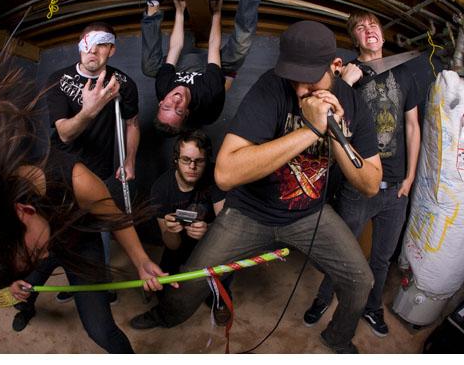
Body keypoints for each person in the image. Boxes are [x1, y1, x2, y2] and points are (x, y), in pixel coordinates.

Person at [129, 21, 383, 354]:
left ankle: (337, 338)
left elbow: (370, 184)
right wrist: (309, 130)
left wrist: (333, 131)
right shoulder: (272, 88)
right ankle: (165, 315)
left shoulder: (354, 106)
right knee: (194, 276)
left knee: (361, 280)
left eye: (310, 80)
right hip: (250, 212)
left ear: (335, 67)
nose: (300, 90)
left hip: (308, 215)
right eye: (294, 78)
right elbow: (225, 174)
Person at [0, 55, 171, 353]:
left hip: (79, 243)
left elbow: (115, 217)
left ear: (25, 212)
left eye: (35, 254)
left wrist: (141, 261)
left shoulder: (77, 181)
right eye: (31, 257)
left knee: (100, 330)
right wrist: (11, 277)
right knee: (24, 292)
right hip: (35, 240)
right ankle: (26, 306)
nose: (43, 256)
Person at [304, 11, 421, 338]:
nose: (369, 29)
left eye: (374, 24)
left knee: (382, 259)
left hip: (396, 189)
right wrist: (344, 83)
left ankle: (372, 307)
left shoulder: (404, 73)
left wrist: (410, 178)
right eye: (360, 26)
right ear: (355, 39)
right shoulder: (345, 74)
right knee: (340, 254)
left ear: (382, 33)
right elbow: (326, 119)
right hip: (357, 186)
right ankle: (323, 299)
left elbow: (412, 126)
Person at [45, 22, 139, 303]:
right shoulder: (58, 80)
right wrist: (90, 110)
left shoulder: (123, 83)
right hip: (61, 170)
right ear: (80, 46)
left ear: (112, 49)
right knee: (63, 229)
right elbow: (64, 133)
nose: (92, 51)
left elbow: (132, 123)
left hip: (97, 171)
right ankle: (76, 281)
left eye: (101, 45)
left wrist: (130, 160)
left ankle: (104, 284)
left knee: (100, 231)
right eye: (87, 44)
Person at [141, 0, 264, 134]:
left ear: (161, 102)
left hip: (183, 68)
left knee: (149, 67)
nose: (175, 101)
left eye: (167, 106)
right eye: (178, 110)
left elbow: (175, 48)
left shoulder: (163, 88)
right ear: (186, 112)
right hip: (213, 71)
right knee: (241, 47)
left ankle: (153, 3)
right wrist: (217, 12)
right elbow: (213, 46)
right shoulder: (209, 94)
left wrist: (180, 11)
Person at [147, 130, 231, 325]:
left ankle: (219, 300)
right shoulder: (161, 188)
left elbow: (226, 227)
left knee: (225, 260)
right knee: (166, 294)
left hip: (211, 242)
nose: (192, 167)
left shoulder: (216, 176)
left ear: (207, 161)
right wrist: (171, 231)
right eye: (186, 160)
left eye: (199, 161)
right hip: (179, 246)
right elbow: (172, 245)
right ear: (176, 159)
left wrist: (208, 230)